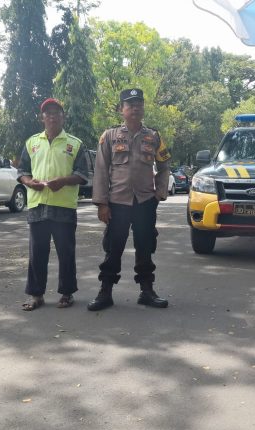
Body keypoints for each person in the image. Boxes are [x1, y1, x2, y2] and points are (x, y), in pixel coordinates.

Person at [88, 88, 171, 311]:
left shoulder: (153, 136)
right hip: (117, 202)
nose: (135, 108)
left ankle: (147, 291)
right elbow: (101, 170)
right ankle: (105, 291)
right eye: (130, 104)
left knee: (145, 246)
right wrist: (102, 203)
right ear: (121, 109)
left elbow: (164, 166)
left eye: (139, 104)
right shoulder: (109, 136)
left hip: (145, 201)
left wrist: (159, 193)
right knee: (113, 247)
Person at [17, 98, 90, 311]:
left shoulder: (75, 144)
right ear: (42, 118)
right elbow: (22, 171)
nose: (52, 116)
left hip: (63, 207)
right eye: (48, 113)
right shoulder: (32, 143)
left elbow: (82, 174)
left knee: (66, 253)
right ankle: (36, 295)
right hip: (37, 205)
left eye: (56, 112)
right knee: (37, 253)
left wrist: (63, 181)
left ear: (63, 117)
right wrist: (29, 182)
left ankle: (67, 293)